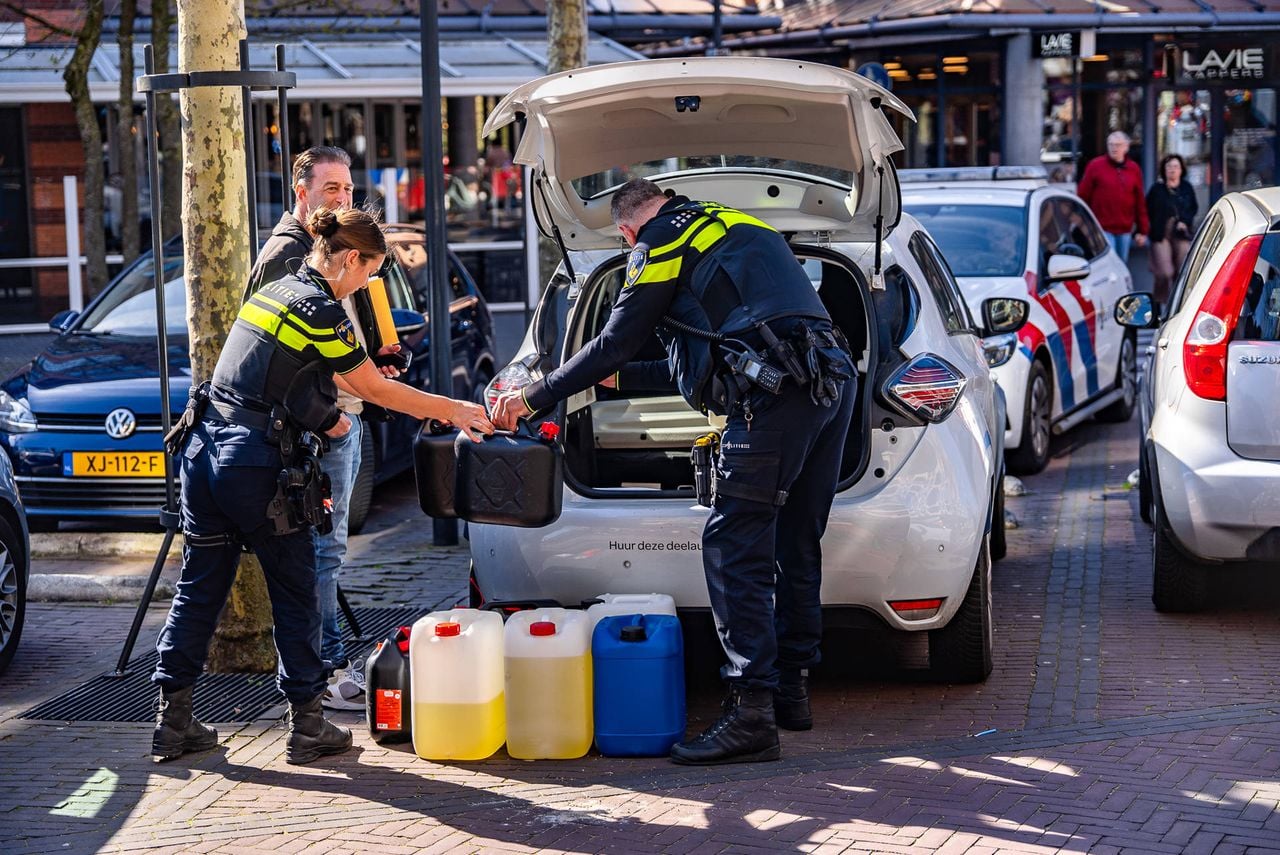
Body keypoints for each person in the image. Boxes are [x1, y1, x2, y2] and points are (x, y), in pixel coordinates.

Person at [491, 179, 856, 766]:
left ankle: (751, 715)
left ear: (626, 230)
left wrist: (535, 397)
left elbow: (614, 342)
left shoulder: (658, 241)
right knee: (796, 538)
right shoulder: (736, 223)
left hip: (774, 396)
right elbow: (715, 340)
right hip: (828, 379)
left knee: (733, 541)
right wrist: (620, 379)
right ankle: (791, 691)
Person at [151, 207, 493, 765]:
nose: (367, 286)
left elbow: (276, 373)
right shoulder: (320, 308)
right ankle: (308, 726)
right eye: (369, 274)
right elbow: (373, 390)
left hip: (203, 456)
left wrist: (323, 412)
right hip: (255, 469)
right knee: (297, 591)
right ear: (351, 259)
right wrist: (455, 409)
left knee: (199, 588)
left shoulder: (276, 291)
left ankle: (173, 722)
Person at [244, 146, 396, 712]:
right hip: (315, 431)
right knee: (319, 553)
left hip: (338, 419)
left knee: (326, 552)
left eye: (349, 188)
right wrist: (335, 415)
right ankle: (321, 674)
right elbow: (281, 363)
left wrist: (373, 361)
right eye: (331, 188)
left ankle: (320, 669)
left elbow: (329, 345)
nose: (343, 198)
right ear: (300, 190)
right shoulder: (289, 255)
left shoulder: (329, 249)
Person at [1077, 131, 1149, 263]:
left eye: (1118, 145)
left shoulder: (1134, 169)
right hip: (1102, 227)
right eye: (1111, 144)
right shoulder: (1095, 166)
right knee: (1110, 264)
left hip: (1125, 228)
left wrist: (1142, 230)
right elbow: (1083, 195)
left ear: (1126, 147)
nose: (1114, 148)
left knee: (1121, 264)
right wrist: (1085, 224)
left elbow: (1139, 201)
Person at [1145, 153, 1198, 302]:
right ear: (1164, 170)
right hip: (1161, 232)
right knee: (1165, 272)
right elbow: (1146, 209)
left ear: (1181, 170)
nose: (1172, 170)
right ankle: (1160, 301)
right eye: (1169, 167)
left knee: (1181, 269)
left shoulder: (1186, 188)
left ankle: (1177, 301)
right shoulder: (1157, 189)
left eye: (1176, 167)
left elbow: (1193, 207)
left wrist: (1185, 221)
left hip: (1180, 232)